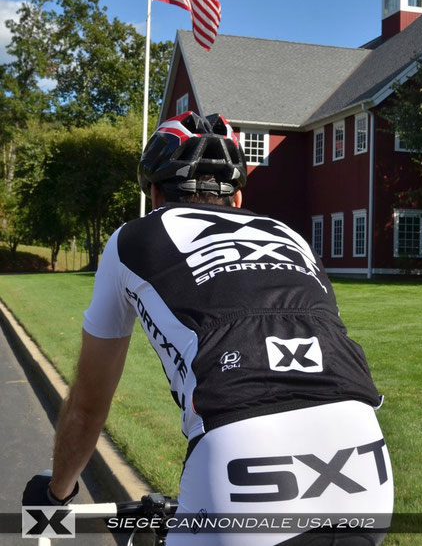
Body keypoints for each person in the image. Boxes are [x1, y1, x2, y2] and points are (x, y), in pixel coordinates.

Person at [23, 111, 393, 544]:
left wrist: (56, 493)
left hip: (244, 460)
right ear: (237, 199)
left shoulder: (131, 238)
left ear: (156, 193)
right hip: (365, 460)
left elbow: (88, 405)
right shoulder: (289, 235)